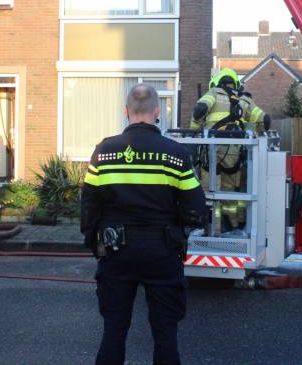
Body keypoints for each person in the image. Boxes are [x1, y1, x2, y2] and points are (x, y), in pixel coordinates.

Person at [82, 84, 206, 365]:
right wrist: (178, 231)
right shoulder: (175, 154)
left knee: (113, 331)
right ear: (157, 112)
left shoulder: (104, 151)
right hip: (161, 250)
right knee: (165, 333)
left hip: (115, 250)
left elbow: (89, 205)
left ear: (126, 112)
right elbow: (196, 208)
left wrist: (94, 243)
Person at [190, 69, 269, 233]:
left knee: (210, 190)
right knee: (230, 191)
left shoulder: (213, 93)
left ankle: (213, 230)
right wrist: (258, 134)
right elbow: (263, 119)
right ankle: (234, 224)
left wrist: (195, 129)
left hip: (212, 150)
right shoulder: (244, 99)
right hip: (234, 152)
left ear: (217, 82)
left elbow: (200, 109)